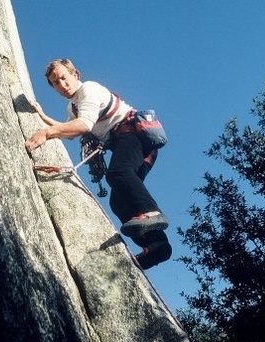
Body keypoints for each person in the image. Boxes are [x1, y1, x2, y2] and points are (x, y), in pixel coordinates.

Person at [25, 58, 172, 269]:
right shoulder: (73, 107)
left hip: (132, 134)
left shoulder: (89, 89)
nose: (62, 85)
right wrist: (41, 115)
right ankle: (157, 246)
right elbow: (68, 131)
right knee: (118, 202)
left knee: (118, 173)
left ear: (75, 74)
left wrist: (46, 132)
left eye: (64, 78)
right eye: (55, 82)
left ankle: (151, 212)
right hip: (132, 146)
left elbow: (83, 126)